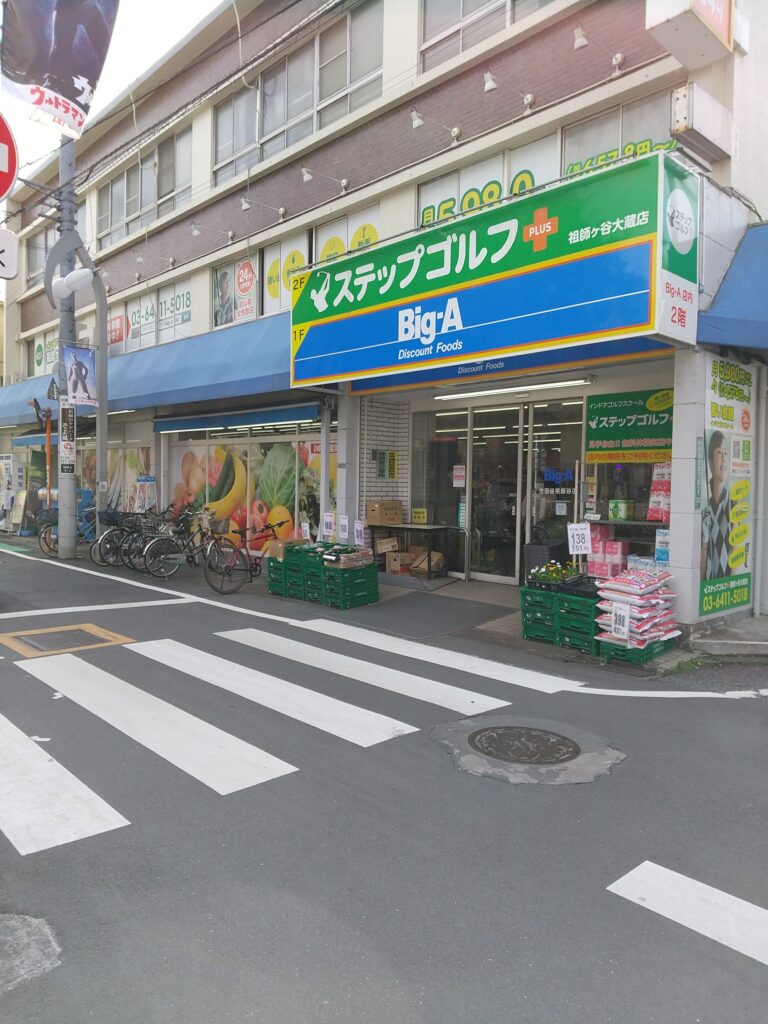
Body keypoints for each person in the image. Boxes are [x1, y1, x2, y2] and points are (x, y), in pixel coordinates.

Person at [43, 0, 113, 104]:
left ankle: (55, 80)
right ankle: (55, 81)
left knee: (104, 48)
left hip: (81, 7)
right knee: (62, 49)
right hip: (68, 8)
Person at [701, 429, 730, 580]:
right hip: (708, 587)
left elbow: (736, 552)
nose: (724, 459)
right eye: (719, 452)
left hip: (726, 587)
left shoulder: (733, 505)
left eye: (726, 452)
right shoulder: (706, 511)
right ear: (711, 462)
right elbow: (704, 553)